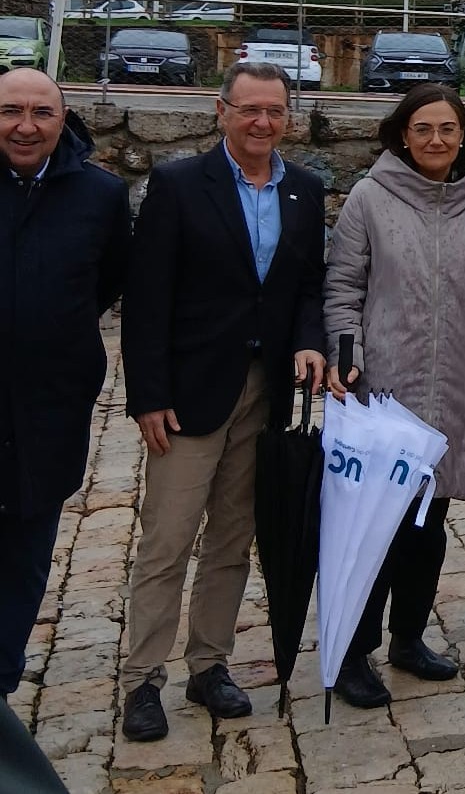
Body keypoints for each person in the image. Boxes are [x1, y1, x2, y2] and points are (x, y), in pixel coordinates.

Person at [120, 62, 327, 742]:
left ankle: (209, 664)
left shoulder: (304, 189)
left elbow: (304, 289)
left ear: (288, 116)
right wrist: (147, 394)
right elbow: (146, 299)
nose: (262, 122)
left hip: (264, 390)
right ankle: (143, 677)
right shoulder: (180, 186)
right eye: (249, 110)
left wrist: (306, 343)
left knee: (234, 539)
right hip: (188, 394)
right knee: (168, 538)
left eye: (274, 110)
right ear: (222, 111)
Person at [323, 84, 465, 708]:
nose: (436, 140)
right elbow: (344, 286)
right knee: (376, 525)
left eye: (448, 129)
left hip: (457, 383)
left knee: (430, 523)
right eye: (424, 128)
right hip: (386, 388)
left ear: (463, 136)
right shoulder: (371, 198)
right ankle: (353, 650)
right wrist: (348, 365)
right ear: (403, 133)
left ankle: (408, 637)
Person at [0, 70, 129, 699]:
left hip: (49, 404)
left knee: (28, 547)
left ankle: (0, 678)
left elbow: (105, 283)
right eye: (10, 111)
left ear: (62, 119)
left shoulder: (100, 195)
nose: (25, 126)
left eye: (40, 113)